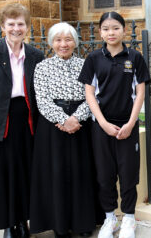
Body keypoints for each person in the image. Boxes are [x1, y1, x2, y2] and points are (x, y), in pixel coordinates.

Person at [0, 3, 44, 238]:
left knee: (26, 172)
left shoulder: (35, 55)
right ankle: (8, 224)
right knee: (4, 174)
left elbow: (40, 94)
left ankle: (23, 221)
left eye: (20, 24)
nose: (16, 28)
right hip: (1, 123)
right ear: (3, 26)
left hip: (28, 121)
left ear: (27, 27)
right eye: (11, 24)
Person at [78, 12, 150, 238]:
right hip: (102, 127)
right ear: (100, 32)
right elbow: (89, 94)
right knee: (105, 175)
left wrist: (130, 123)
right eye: (106, 28)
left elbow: (140, 93)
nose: (111, 32)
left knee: (128, 174)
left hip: (127, 126)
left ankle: (129, 218)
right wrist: (103, 123)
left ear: (124, 30)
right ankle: (110, 218)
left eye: (116, 28)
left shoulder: (135, 57)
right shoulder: (93, 59)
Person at [29, 23, 102, 237]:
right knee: (56, 174)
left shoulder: (86, 64)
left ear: (75, 42)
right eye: (59, 40)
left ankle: (83, 223)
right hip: (53, 126)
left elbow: (92, 95)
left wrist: (76, 118)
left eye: (68, 39)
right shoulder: (41, 67)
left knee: (82, 173)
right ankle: (59, 225)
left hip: (81, 123)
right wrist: (63, 119)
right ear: (52, 43)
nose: (64, 44)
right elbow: (41, 100)